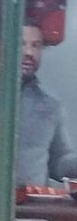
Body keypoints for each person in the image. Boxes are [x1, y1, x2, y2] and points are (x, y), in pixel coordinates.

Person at [18, 22, 77, 187]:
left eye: (36, 46)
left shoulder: (50, 107)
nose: (29, 52)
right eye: (21, 44)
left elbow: (59, 161)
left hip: (31, 210)